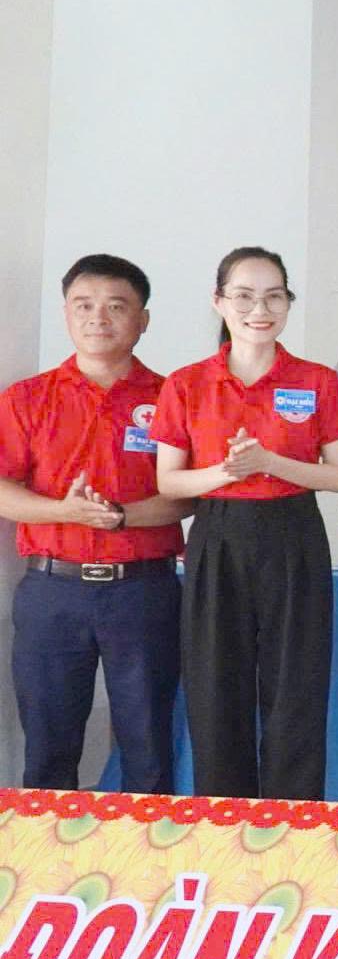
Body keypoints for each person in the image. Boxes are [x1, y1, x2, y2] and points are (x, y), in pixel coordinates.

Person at [152, 247, 338, 799]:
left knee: (297, 689)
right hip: (218, 536)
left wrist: (268, 462)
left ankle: (293, 825)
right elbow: (169, 482)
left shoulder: (316, 380)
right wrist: (227, 471)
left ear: (288, 303)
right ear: (219, 302)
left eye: (273, 297)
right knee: (216, 688)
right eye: (243, 296)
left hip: (294, 534)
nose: (259, 310)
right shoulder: (187, 383)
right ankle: (225, 824)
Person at [0, 256, 190, 793]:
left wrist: (121, 517)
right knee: (48, 748)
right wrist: (65, 512)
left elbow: (189, 495)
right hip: (52, 592)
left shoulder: (172, 397)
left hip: (144, 591)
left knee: (148, 747)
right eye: (83, 305)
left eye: (116, 306)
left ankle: (145, 849)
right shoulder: (27, 398)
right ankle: (46, 847)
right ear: (66, 313)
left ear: (143, 320)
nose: (98, 318)